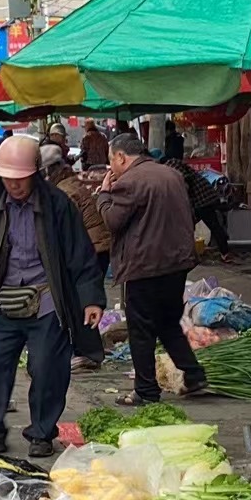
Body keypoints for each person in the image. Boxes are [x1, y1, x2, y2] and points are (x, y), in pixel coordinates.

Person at [0, 135, 104, 458]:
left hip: (47, 303)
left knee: (48, 367)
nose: (14, 186)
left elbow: (81, 255)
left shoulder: (58, 206)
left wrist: (91, 298)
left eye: (20, 179)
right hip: (5, 303)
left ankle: (42, 432)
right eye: (7, 179)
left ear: (34, 173)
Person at [97, 134, 209, 405]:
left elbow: (113, 221)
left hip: (145, 265)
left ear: (121, 157)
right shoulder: (171, 174)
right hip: (176, 262)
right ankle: (194, 374)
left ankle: (146, 390)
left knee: (142, 329)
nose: (111, 167)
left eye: (111, 160)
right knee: (167, 322)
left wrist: (103, 194)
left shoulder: (130, 181)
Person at [41, 144, 112, 372]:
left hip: (91, 249)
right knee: (81, 301)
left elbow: (65, 231)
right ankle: (86, 351)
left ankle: (86, 353)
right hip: (95, 247)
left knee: (82, 301)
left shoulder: (64, 192)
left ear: (48, 171)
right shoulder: (68, 183)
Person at [163, 155, 232, 263]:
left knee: (200, 224)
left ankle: (223, 252)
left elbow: (185, 181)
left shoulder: (171, 165)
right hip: (204, 195)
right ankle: (223, 251)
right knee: (208, 224)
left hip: (202, 198)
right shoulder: (173, 164)